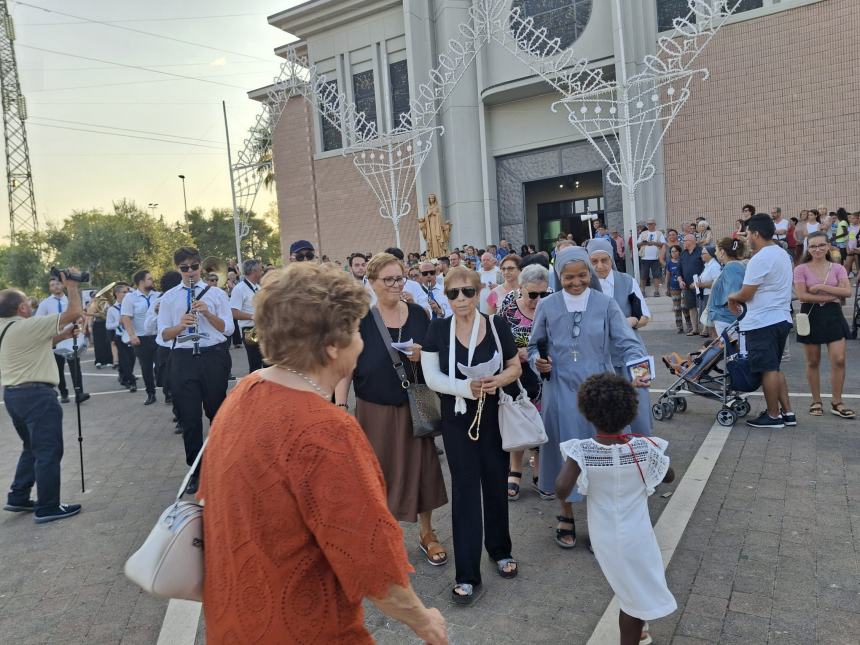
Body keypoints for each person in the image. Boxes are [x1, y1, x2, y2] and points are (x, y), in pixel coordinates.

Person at [199, 262, 448, 644]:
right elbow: (372, 563)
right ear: (333, 346)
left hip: (233, 620)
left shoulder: (241, 395)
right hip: (303, 626)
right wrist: (424, 620)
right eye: (354, 330)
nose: (361, 340)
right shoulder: (326, 428)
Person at [528, 247, 650, 550]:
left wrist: (639, 367)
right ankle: (566, 514)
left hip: (599, 393)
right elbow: (533, 346)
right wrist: (537, 362)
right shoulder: (547, 305)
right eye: (569, 277)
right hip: (561, 390)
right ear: (559, 276)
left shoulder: (606, 304)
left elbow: (627, 341)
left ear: (590, 274)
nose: (576, 282)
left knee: (602, 459)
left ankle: (600, 520)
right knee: (565, 454)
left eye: (582, 275)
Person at [421, 266, 522, 604]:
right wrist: (465, 387)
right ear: (446, 297)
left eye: (467, 292)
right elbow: (431, 378)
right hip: (457, 419)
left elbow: (515, 366)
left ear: (479, 293)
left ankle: (499, 550)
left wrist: (498, 381)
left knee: (495, 483)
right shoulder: (437, 329)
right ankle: (467, 573)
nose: (461, 298)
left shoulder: (496, 325)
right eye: (453, 293)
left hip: (493, 416)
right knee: (465, 491)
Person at [555, 373, 677, 645]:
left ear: (588, 413)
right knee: (633, 591)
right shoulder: (646, 447)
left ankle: (639, 632)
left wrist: (576, 468)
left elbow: (561, 489)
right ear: (630, 412)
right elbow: (669, 476)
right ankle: (635, 635)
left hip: (605, 536)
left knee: (629, 591)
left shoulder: (582, 451)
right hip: (639, 534)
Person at [348, 253, 449, 567]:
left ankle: (426, 532)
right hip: (373, 410)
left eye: (400, 277)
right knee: (377, 475)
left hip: (415, 404)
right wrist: (338, 406)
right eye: (388, 279)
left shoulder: (419, 314)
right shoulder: (360, 318)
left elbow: (438, 358)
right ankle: (381, 538)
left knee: (423, 470)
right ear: (373, 282)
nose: (395, 284)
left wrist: (424, 356)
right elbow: (345, 366)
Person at [1, 269, 85, 523]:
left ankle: (18, 496)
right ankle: (48, 506)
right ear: (23, 307)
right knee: (48, 450)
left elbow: (32, 346)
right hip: (37, 396)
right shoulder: (27, 325)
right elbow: (74, 313)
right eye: (27, 301)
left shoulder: (6, 328)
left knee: (31, 446)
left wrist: (61, 336)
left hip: (14, 396)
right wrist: (71, 286)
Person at [157, 247, 234, 494]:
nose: (190, 272)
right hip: (182, 357)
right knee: (189, 418)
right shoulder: (169, 297)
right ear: (178, 269)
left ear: (201, 266)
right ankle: (195, 470)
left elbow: (228, 330)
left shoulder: (217, 294)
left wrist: (207, 313)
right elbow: (163, 335)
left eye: (194, 266)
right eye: (184, 268)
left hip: (213, 357)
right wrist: (180, 325)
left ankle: (221, 464)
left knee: (217, 412)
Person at [728, 214, 795, 429]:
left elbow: (747, 293)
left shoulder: (761, 258)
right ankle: (788, 413)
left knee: (767, 369)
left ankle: (773, 416)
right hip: (781, 318)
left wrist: (732, 297)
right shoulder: (782, 254)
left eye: (747, 234)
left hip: (762, 321)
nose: (746, 238)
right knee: (773, 367)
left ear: (756, 233)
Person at [496, 263, 552, 501]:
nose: (538, 299)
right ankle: (515, 469)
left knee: (541, 421)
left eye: (543, 293)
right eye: (532, 294)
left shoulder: (550, 307)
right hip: (518, 376)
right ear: (520, 289)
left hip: (546, 376)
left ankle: (540, 469)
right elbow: (497, 340)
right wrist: (516, 352)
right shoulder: (508, 309)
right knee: (519, 421)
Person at [587, 238, 653, 435]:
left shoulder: (627, 281)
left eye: (604, 260)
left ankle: (642, 438)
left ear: (612, 259)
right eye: (594, 261)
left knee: (639, 393)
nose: (599, 266)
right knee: (607, 398)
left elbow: (645, 317)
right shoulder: (585, 286)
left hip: (632, 348)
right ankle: (614, 439)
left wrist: (630, 321)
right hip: (600, 351)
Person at [793, 231, 854, 419]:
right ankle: (816, 400)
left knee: (839, 359)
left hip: (833, 315)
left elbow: (848, 292)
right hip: (810, 314)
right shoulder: (800, 269)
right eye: (813, 246)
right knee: (812, 361)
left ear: (828, 246)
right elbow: (802, 296)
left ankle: (837, 402)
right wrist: (833, 295)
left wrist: (821, 287)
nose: (817, 249)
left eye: (821, 245)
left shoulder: (838, 268)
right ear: (808, 248)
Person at [34, 277, 88, 404]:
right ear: (50, 288)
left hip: (71, 339)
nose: (56, 286)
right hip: (56, 340)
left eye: (58, 284)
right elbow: (38, 321)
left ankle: (79, 393)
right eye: (52, 285)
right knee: (58, 369)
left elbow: (80, 317)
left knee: (75, 367)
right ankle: (63, 392)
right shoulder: (45, 304)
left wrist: (80, 327)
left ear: (63, 285)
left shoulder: (71, 301)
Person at [146, 271, 183, 432]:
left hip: (182, 347)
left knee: (183, 384)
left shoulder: (188, 297)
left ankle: (183, 418)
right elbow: (148, 328)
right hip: (165, 348)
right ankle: (179, 412)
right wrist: (156, 312)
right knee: (170, 385)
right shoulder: (159, 300)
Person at [121, 269, 160, 405]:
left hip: (158, 336)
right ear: (141, 282)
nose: (152, 281)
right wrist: (132, 335)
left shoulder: (158, 295)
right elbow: (126, 317)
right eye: (149, 279)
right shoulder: (130, 298)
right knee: (146, 367)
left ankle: (168, 392)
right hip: (141, 338)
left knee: (162, 366)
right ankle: (151, 393)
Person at [707, 238, 747, 337]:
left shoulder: (731, 267)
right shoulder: (732, 266)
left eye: (716, 250)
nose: (715, 253)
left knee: (731, 350)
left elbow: (734, 292)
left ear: (722, 252)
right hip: (727, 318)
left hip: (727, 319)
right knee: (731, 349)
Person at [229, 258, 264, 373]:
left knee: (268, 364)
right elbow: (233, 312)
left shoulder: (258, 287)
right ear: (254, 271)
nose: (262, 272)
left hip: (263, 328)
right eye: (260, 269)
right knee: (256, 365)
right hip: (250, 330)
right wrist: (254, 316)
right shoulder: (239, 289)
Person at [106, 282, 136, 391]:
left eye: (127, 291)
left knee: (132, 359)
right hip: (120, 336)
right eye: (124, 292)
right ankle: (131, 382)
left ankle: (124, 377)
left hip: (131, 335)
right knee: (125, 360)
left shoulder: (131, 305)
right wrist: (118, 322)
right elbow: (108, 326)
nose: (127, 294)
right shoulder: (112, 309)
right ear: (117, 293)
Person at [678, 234, 704, 336]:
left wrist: (700, 281)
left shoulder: (701, 251)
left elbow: (707, 267)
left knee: (703, 306)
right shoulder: (683, 254)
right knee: (691, 307)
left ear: (691, 241)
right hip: (687, 286)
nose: (683, 242)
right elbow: (679, 270)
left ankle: (705, 329)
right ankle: (695, 329)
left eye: (685, 240)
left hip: (700, 284)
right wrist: (680, 281)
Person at [636, 219, 666, 297]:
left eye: (651, 224)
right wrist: (644, 243)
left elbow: (663, 244)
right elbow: (638, 245)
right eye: (648, 224)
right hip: (644, 258)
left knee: (656, 275)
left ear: (654, 224)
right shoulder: (643, 233)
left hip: (656, 258)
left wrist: (654, 243)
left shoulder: (659, 233)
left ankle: (656, 291)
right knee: (643, 276)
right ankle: (642, 291)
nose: (650, 225)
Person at [697, 245, 722, 338]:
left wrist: (701, 285)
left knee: (711, 320)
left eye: (704, 253)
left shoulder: (714, 266)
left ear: (710, 254)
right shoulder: (708, 265)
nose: (701, 255)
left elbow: (717, 282)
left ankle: (716, 340)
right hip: (706, 293)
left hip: (711, 295)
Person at [666, 245, 684, 333]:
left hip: (684, 287)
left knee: (685, 307)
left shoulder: (683, 261)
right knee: (677, 308)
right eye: (672, 252)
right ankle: (679, 327)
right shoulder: (669, 263)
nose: (674, 253)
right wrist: (667, 288)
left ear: (679, 252)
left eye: (675, 251)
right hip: (673, 287)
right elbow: (667, 276)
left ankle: (689, 325)